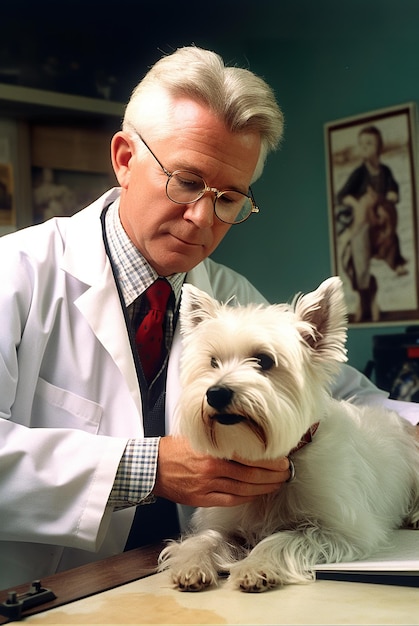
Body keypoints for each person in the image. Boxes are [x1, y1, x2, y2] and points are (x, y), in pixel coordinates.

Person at [0, 47, 418, 590]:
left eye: (229, 198)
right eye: (187, 181)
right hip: (34, 594)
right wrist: (144, 468)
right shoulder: (17, 274)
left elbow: (342, 395)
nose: (203, 217)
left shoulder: (221, 291)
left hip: (166, 587)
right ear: (125, 159)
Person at [336, 125, 407, 322]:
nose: (365, 148)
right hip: (363, 223)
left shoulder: (385, 171)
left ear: (379, 147)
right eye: (362, 144)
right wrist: (356, 202)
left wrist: (391, 195)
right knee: (355, 256)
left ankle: (396, 260)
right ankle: (366, 297)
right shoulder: (359, 173)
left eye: (370, 143)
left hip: (381, 223)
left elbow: (393, 190)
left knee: (391, 236)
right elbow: (343, 195)